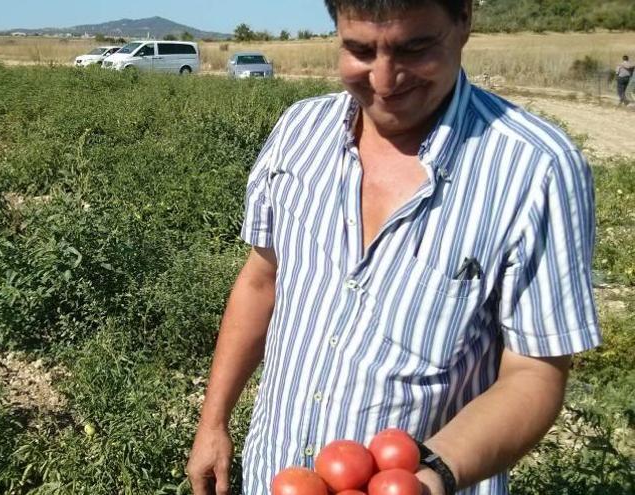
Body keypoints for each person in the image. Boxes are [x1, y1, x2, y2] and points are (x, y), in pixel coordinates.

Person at [186, 1, 602, 494]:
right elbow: (262, 279)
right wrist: (213, 421)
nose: (384, 81)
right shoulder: (299, 134)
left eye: (415, 48)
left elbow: (534, 372)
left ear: (464, 20)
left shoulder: (536, 170)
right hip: (275, 473)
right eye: (359, 50)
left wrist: (429, 477)